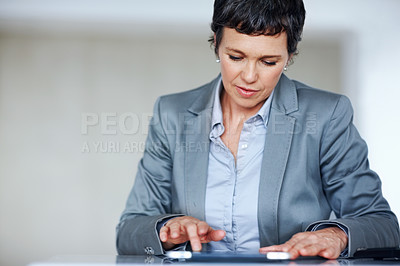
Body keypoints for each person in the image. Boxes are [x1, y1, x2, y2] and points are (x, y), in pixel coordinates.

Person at [116, 0, 400, 259]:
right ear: (216, 43)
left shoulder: (327, 115)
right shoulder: (172, 114)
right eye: (236, 57)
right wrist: (166, 230)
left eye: (268, 62)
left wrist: (337, 235)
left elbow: (381, 224)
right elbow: (130, 228)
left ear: (289, 55)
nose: (249, 77)